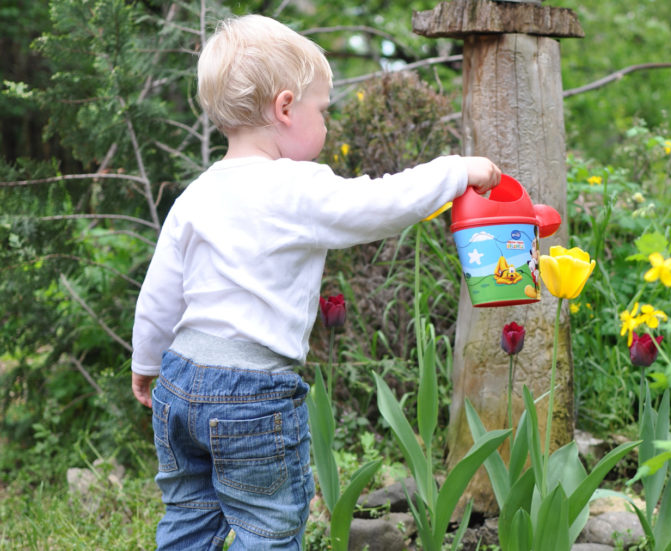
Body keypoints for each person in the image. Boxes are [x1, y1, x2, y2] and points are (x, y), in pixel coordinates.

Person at [130, 14, 500, 550]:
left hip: (180, 381)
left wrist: (146, 363)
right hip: (251, 394)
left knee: (189, 518)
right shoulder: (295, 187)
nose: (326, 124)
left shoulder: (196, 195)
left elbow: (159, 292)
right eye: (322, 110)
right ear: (284, 108)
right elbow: (380, 203)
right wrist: (458, 171)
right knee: (267, 526)